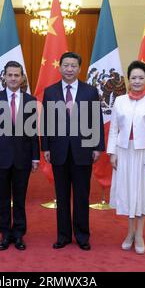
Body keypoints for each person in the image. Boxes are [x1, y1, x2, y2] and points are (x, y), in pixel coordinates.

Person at [41, 52, 105, 251]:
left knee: (81, 195)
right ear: (59, 67)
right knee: (61, 196)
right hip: (58, 150)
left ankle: (82, 235)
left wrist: (97, 146)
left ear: (79, 69)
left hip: (83, 150)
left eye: (73, 66)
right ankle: (63, 235)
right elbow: (46, 122)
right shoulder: (50, 91)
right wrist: (46, 147)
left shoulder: (90, 91)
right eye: (65, 65)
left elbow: (96, 120)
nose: (69, 69)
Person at [107, 60, 145, 254]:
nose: (137, 81)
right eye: (134, 78)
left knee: (141, 193)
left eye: (141, 78)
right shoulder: (120, 101)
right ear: (128, 80)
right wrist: (112, 153)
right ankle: (129, 232)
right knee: (128, 192)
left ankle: (139, 234)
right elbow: (114, 129)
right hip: (124, 152)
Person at [0, 61, 40, 251]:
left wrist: (35, 157)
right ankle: (5, 234)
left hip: (23, 159)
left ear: (22, 78)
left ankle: (19, 234)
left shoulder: (30, 101)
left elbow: (32, 133)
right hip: (0, 158)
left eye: (17, 75)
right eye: (10, 75)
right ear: (4, 77)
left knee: (21, 199)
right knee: (3, 199)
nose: (13, 78)